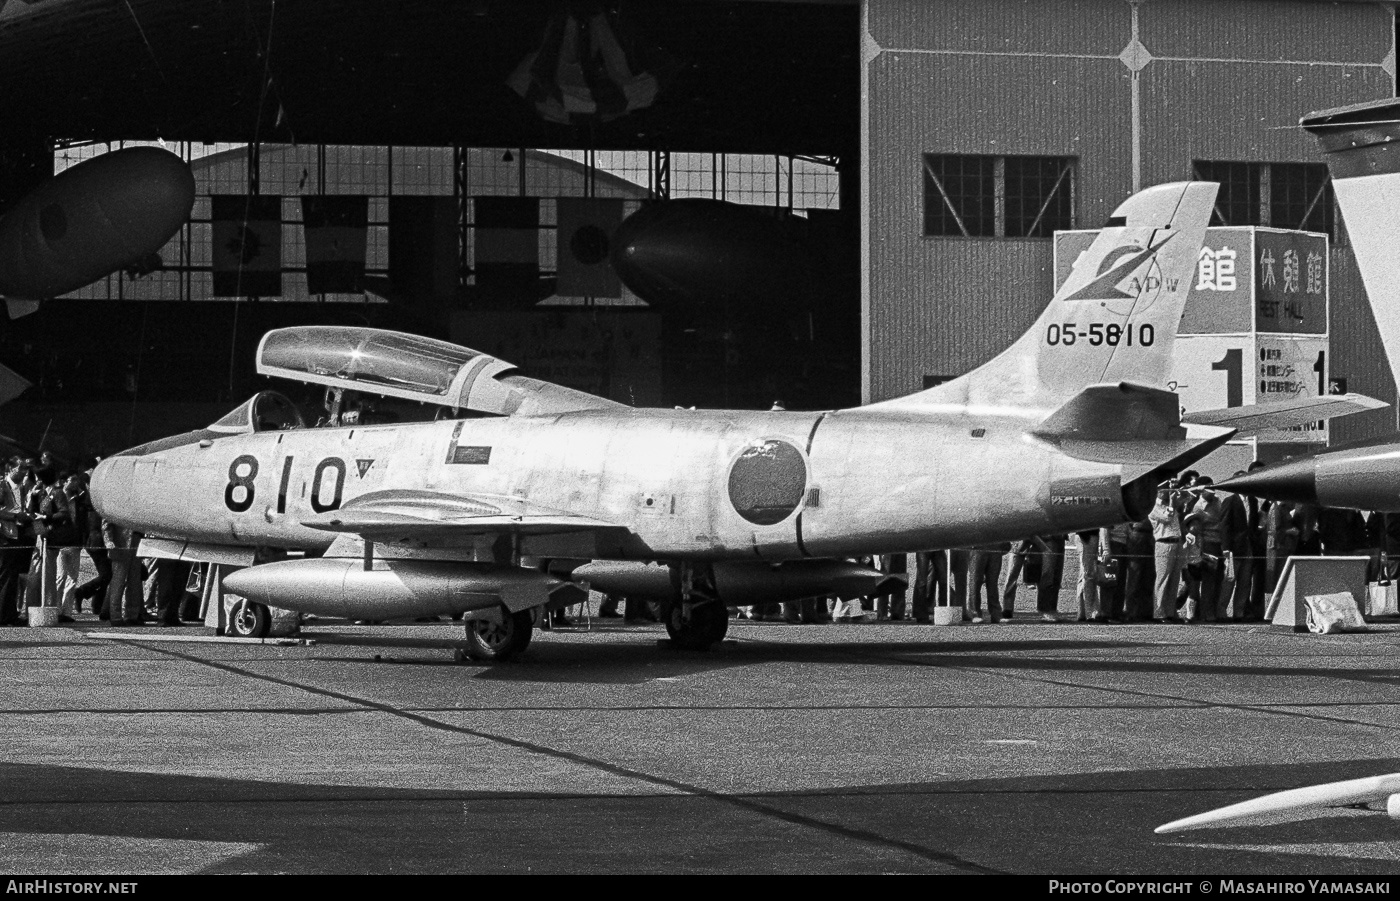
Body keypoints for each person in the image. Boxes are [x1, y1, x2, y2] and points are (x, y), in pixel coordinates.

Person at [1182, 476, 1225, 622]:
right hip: (1207, 543)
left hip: (1219, 543)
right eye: (1208, 488)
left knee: (1218, 579)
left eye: (1213, 487)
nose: (1212, 491)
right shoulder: (1198, 506)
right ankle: (1206, 614)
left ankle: (1214, 610)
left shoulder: (1218, 501)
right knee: (1208, 580)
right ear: (1201, 490)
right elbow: (1194, 529)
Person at [0, 457, 32, 625]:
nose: (24, 472)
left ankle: (9, 613)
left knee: (13, 576)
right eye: (20, 468)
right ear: (10, 468)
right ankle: (4, 616)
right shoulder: (2, 486)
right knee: (6, 576)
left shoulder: (23, 488)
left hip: (17, 535)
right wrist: (15, 516)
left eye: (25, 469)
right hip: (4, 536)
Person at [1149, 482, 1183, 622]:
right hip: (1163, 542)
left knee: (1174, 579)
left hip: (1177, 542)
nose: (1166, 491)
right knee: (1163, 578)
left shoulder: (1171, 504)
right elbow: (1167, 518)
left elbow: (1180, 509)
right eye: (1163, 489)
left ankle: (1170, 611)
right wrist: (1172, 501)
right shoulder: (1153, 507)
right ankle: (1159, 612)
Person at [966, 542, 1008, 623]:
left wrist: (1004, 545)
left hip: (996, 546)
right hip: (977, 547)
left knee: (993, 582)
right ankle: (975, 614)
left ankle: (996, 615)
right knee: (975, 582)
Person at [1035, 534, 1067, 622]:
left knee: (1057, 574)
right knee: (1048, 573)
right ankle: (1044, 609)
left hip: (1060, 537)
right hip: (1048, 538)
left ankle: (1053, 608)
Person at [911, 549, 947, 623]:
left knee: (943, 580)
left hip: (938, 547)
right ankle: (920, 615)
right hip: (923, 546)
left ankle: (943, 614)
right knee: (922, 581)